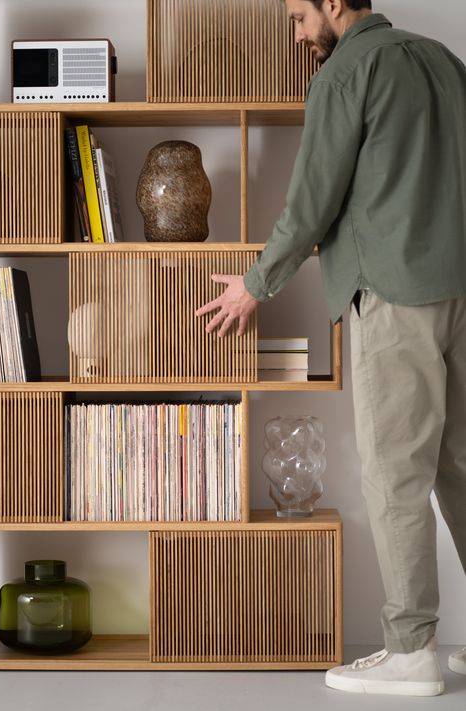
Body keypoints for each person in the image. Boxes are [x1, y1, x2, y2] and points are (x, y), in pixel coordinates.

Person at [195, 0, 466, 697]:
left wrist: (255, 285)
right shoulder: (444, 63)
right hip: (462, 289)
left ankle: (411, 648)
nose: (296, 35)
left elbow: (312, 199)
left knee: (395, 469)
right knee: (461, 465)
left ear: (334, 6)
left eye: (297, 17)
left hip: (395, 292)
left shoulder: (348, 70)